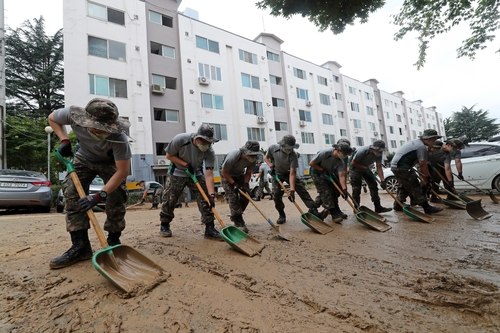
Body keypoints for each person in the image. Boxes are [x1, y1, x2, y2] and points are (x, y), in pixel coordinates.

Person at [48, 98, 131, 269]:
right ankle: (81, 246)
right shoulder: (72, 115)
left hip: (110, 163)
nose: (102, 131)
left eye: (106, 128)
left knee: (116, 196)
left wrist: (100, 194)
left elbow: (122, 172)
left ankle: (114, 241)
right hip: (83, 158)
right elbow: (52, 118)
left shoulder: (119, 138)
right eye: (97, 127)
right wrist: (64, 140)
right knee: (71, 193)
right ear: (86, 120)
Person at [159, 124, 221, 240]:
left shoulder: (209, 151)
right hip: (177, 172)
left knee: (206, 200)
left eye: (209, 143)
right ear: (196, 138)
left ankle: (210, 228)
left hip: (196, 174)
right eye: (203, 141)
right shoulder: (181, 139)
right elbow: (169, 155)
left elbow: (209, 174)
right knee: (170, 199)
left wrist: (211, 195)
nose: (206, 145)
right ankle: (165, 225)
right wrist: (185, 165)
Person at [264, 134, 322, 224]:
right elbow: (266, 157)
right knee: (276, 194)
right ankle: (281, 214)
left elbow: (292, 173)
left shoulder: (293, 155)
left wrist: (292, 191)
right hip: (277, 174)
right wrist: (271, 167)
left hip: (288, 173)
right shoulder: (273, 148)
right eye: (287, 148)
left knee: (302, 189)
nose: (289, 150)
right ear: (282, 145)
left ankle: (314, 210)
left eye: (290, 148)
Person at [390, 129, 443, 214]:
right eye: (434, 139)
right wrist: (427, 178)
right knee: (415, 186)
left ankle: (398, 204)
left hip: (397, 166)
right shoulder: (421, 147)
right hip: (402, 167)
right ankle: (426, 207)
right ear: (429, 138)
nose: (435, 141)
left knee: (405, 185)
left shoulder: (417, 142)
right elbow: (422, 164)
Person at [220, 141, 262, 232]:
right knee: (233, 197)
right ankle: (239, 221)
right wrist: (234, 184)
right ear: (245, 152)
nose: (253, 157)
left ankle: (235, 216)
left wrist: (246, 184)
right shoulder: (233, 156)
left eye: (255, 155)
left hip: (239, 175)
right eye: (251, 155)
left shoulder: (253, 159)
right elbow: (224, 172)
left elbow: (248, 172)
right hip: (227, 175)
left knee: (246, 196)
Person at [309, 141, 354, 221]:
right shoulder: (325, 153)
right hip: (316, 172)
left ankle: (312, 209)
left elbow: (341, 176)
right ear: (338, 150)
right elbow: (312, 163)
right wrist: (322, 170)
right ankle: (334, 213)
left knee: (329, 192)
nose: (344, 156)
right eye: (344, 153)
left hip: (327, 173)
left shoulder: (340, 161)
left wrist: (344, 189)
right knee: (325, 192)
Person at [349, 140, 392, 213]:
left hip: (366, 168)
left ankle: (378, 207)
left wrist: (382, 180)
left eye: (381, 151)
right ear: (373, 148)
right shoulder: (363, 151)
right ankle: (356, 208)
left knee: (373, 185)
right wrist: (364, 168)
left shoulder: (379, 154)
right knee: (356, 189)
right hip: (355, 169)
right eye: (378, 150)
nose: (380, 152)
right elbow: (353, 163)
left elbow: (379, 167)